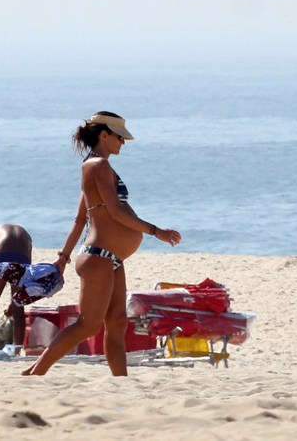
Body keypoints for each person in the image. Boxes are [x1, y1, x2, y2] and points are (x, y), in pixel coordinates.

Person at [22, 111, 181, 376]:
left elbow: (79, 219)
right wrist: (155, 231)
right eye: (120, 137)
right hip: (99, 256)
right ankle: (36, 373)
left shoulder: (96, 166)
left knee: (117, 323)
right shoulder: (97, 166)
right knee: (87, 325)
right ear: (104, 135)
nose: (124, 142)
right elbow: (116, 212)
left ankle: (121, 382)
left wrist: (62, 258)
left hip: (112, 258)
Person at [0, 224, 33, 353]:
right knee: (18, 309)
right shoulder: (26, 235)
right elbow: (28, 264)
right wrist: (13, 303)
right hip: (22, 259)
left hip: (1, 256)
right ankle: (16, 351)